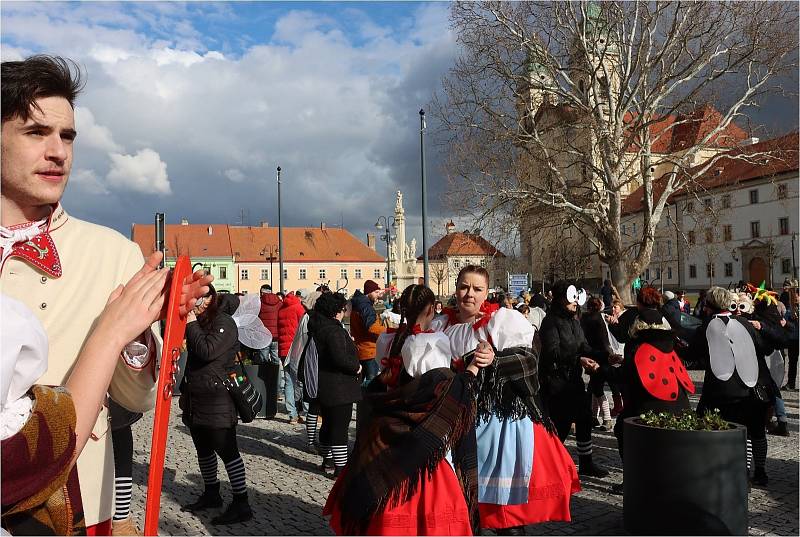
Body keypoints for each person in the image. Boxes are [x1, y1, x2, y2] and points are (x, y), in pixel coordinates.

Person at [0, 54, 211, 535]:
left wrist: (142, 335)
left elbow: (135, 400)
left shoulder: (111, 252)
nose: (59, 152)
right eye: (36, 132)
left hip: (71, 504)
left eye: (67, 136)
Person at [1, 266, 168, 535]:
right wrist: (111, 334)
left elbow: (139, 395)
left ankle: (122, 516)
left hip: (87, 476)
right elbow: (43, 451)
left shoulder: (115, 254)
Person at [324, 284, 494, 535]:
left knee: (384, 490)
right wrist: (472, 371)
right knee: (424, 495)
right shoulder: (433, 341)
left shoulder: (388, 338)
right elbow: (439, 388)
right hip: (421, 429)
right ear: (429, 309)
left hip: (387, 424)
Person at [441, 267, 581, 535]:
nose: (469, 294)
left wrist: (495, 361)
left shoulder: (503, 321)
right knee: (464, 500)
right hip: (456, 419)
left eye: (477, 289)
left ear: (486, 292)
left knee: (502, 507)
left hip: (497, 422)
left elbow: (529, 361)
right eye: (463, 287)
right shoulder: (442, 326)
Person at [604, 287, 695, 494]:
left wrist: (601, 369)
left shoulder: (637, 334)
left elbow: (628, 369)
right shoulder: (667, 327)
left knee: (627, 433)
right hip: (676, 399)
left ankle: (635, 481)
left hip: (646, 398)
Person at [179, 285, 252, 524]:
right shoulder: (201, 322)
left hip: (218, 396)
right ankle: (211, 493)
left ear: (211, 299)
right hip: (197, 395)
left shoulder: (225, 322)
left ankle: (242, 502)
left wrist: (190, 324)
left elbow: (207, 351)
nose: (196, 303)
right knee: (203, 449)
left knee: (227, 450)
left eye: (200, 298)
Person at [689, 287, 773, 486]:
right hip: (751, 387)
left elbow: (693, 354)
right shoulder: (744, 322)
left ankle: (729, 471)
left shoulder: (707, 326)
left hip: (721, 390)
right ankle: (758, 471)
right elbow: (763, 347)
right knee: (755, 432)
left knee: (719, 430)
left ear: (708, 306)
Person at [539, 280, 610, 479]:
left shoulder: (574, 322)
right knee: (560, 426)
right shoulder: (550, 322)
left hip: (574, 381)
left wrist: (605, 355)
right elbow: (551, 353)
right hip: (556, 383)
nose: (575, 303)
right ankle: (548, 466)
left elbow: (584, 346)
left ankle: (586, 463)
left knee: (585, 419)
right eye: (571, 300)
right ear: (561, 299)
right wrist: (578, 359)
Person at [308, 292, 362, 476]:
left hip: (325, 384)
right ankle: (341, 470)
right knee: (340, 428)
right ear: (337, 310)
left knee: (329, 425)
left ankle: (327, 462)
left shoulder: (318, 326)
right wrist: (356, 367)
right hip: (339, 386)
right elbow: (340, 358)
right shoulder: (334, 330)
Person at [287, 290, 325, 450]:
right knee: (314, 405)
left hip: (310, 361)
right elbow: (302, 340)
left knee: (314, 405)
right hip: (311, 363)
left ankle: (313, 440)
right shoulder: (310, 317)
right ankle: (311, 441)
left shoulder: (308, 316)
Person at [580, 297, 619, 431]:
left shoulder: (585, 319)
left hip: (593, 356)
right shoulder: (600, 318)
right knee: (594, 387)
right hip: (602, 355)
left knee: (596, 388)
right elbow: (604, 340)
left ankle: (607, 419)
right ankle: (594, 417)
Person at [277, 290, 307, 424]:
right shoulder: (298, 308)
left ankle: (292, 415)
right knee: (302, 379)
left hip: (284, 350)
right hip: (296, 349)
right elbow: (304, 328)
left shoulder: (281, 309)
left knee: (288, 381)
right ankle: (306, 411)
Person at [349, 280, 386, 383]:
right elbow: (372, 327)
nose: (378, 295)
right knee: (372, 383)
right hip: (369, 350)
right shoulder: (365, 306)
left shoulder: (357, 303)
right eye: (376, 292)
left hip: (360, 349)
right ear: (369, 292)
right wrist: (388, 331)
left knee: (360, 382)